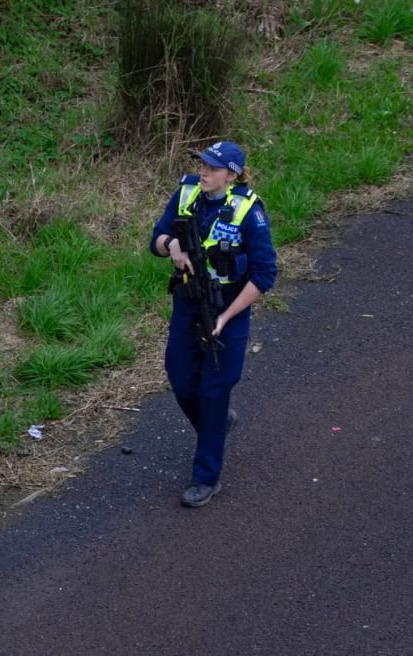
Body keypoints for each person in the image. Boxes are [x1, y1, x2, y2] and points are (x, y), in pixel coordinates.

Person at [150, 141, 278, 507]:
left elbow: (265, 273)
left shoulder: (249, 212)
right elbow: (155, 240)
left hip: (228, 307)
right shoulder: (186, 192)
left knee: (215, 388)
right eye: (202, 164)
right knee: (180, 377)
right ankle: (216, 425)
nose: (204, 171)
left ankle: (206, 477)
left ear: (232, 174)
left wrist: (225, 316)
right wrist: (172, 245)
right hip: (188, 303)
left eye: (213, 167)